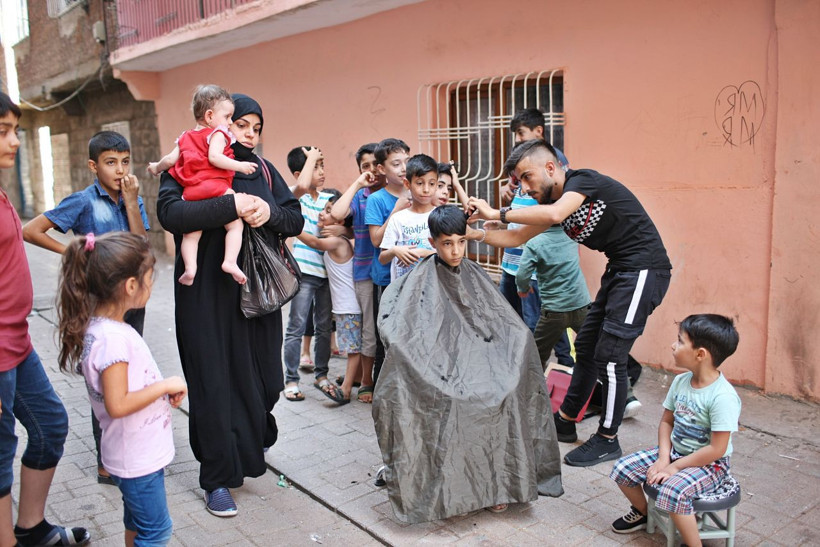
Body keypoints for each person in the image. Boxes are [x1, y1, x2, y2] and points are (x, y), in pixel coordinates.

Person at [468, 139, 671, 467]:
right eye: (519, 181)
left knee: (611, 354)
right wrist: (473, 234)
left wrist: (497, 212)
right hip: (620, 270)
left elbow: (555, 212)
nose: (525, 187)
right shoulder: (551, 207)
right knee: (587, 345)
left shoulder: (582, 182)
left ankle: (607, 439)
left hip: (644, 268)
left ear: (551, 168)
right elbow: (516, 238)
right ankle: (566, 419)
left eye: (527, 177)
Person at [157, 93, 304, 517]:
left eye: (257, 128)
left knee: (267, 383)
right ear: (221, 122)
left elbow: (294, 217)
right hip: (204, 294)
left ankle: (252, 433)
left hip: (256, 293)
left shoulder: (263, 170)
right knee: (213, 385)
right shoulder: (189, 156)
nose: (250, 135)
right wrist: (229, 205)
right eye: (242, 125)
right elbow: (170, 214)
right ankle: (217, 478)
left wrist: (265, 213)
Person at [372, 205, 563, 523]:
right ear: (433, 243)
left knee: (502, 390)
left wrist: (515, 351)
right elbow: (398, 329)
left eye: (461, 241)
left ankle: (500, 483)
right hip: (437, 369)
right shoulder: (417, 282)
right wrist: (429, 365)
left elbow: (505, 326)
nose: (456, 250)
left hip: (479, 363)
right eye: (447, 243)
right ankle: (433, 477)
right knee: (456, 399)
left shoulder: (474, 276)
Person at [22, 130, 150, 486]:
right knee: (106, 379)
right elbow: (32, 230)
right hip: (97, 305)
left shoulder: (131, 196)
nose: (120, 170)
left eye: (125, 162)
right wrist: (75, 253)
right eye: (111, 163)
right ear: (94, 166)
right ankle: (106, 462)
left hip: (131, 299)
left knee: (129, 375)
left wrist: (131, 201)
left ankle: (128, 448)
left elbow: (141, 245)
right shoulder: (82, 202)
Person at [56, 232, 187, 546]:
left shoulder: (102, 330)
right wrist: (163, 385)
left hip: (130, 455)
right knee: (156, 532)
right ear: (131, 285)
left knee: (137, 522)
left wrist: (156, 389)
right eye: (150, 278)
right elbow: (117, 403)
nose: (152, 285)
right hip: (136, 458)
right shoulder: (113, 339)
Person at [0, 92, 90, 547]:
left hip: (17, 345)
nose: (14, 141)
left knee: (50, 425)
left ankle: (30, 527)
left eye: (15, 129)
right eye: (3, 131)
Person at [609, 314, 740, 547]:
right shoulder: (681, 381)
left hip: (710, 465)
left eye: (680, 341)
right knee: (623, 469)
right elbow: (667, 422)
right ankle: (644, 513)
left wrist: (674, 467)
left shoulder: (723, 397)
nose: (673, 345)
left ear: (700, 354)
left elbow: (717, 448)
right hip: (675, 453)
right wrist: (663, 459)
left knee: (673, 490)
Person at [149, 84, 258, 286]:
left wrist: (156, 167)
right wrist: (240, 166)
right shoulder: (218, 134)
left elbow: (170, 161)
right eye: (227, 117)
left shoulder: (184, 137)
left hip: (191, 191)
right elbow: (215, 157)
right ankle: (230, 261)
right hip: (215, 186)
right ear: (209, 116)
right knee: (235, 226)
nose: (230, 122)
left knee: (191, 234)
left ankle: (190, 269)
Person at [282, 146, 338, 402]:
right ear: (299, 173)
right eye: (315, 166)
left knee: (324, 328)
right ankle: (291, 380)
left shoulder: (329, 200)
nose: (322, 172)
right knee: (296, 326)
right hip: (303, 272)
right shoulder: (295, 199)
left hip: (328, 274)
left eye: (322, 165)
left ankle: (321, 375)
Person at [297, 189, 363, 404]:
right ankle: (357, 378)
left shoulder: (338, 242)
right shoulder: (341, 237)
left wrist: (291, 227)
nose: (322, 215)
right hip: (346, 305)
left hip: (349, 306)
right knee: (353, 346)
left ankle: (345, 390)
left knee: (353, 349)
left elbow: (316, 243)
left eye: (328, 211)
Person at [328, 143, 382, 402]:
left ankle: (373, 375)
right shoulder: (360, 197)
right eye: (365, 166)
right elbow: (338, 213)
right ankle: (367, 379)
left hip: (390, 269)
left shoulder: (394, 195)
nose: (371, 170)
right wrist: (358, 184)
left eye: (375, 164)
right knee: (369, 328)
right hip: (364, 271)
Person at [364, 138, 411, 384]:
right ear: (381, 169)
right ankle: (381, 385)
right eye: (396, 163)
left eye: (406, 161)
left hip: (414, 276)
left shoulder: (418, 192)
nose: (404, 168)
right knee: (386, 332)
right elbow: (375, 240)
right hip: (385, 277)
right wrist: (398, 209)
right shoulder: (377, 200)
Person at [515, 225, 590, 371]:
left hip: (554, 310)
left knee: (536, 356)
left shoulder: (535, 243)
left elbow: (522, 274)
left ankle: (530, 391)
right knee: (599, 349)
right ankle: (624, 391)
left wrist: (523, 288)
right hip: (582, 304)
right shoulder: (573, 236)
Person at [379, 154, 438, 282]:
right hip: (403, 291)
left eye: (432, 183)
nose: (426, 189)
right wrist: (394, 251)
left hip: (434, 288)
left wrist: (424, 253)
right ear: (407, 183)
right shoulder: (398, 219)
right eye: (420, 183)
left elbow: (448, 255)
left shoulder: (441, 216)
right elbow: (382, 258)